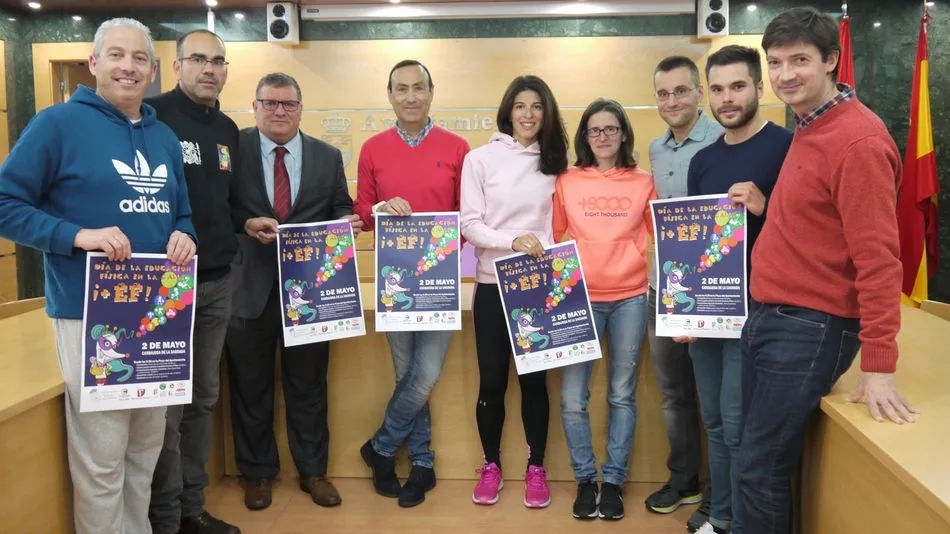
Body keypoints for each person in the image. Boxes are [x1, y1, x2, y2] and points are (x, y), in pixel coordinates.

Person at [0, 18, 196, 534]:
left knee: (144, 453)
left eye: (139, 59)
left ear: (153, 70)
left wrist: (186, 236)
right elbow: (5, 204)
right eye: (116, 55)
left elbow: (182, 214)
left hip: (158, 320)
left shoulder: (165, 138)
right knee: (102, 458)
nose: (128, 67)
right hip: (90, 318)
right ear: (93, 63)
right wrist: (76, 235)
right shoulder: (56, 124)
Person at [737, 8, 919, 534]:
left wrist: (880, 363)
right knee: (759, 463)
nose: (785, 74)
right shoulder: (812, 125)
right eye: (776, 62)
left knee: (757, 468)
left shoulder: (857, 141)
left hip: (810, 327)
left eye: (800, 61)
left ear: (832, 61)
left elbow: (880, 259)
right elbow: (816, 224)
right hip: (772, 317)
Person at [226, 72, 361, 512]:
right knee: (251, 387)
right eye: (270, 104)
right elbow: (218, 208)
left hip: (312, 291)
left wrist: (344, 225)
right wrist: (244, 226)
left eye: (288, 104)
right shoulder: (233, 150)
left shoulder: (327, 155)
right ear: (255, 107)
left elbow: (341, 206)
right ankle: (258, 473)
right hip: (247, 289)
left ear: (301, 109)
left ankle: (313, 472)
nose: (279, 111)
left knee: (308, 386)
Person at [682, 45, 793, 534]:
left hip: (761, 311)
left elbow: (812, 232)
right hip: (708, 311)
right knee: (715, 422)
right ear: (709, 94)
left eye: (738, 86)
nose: (728, 99)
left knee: (736, 421)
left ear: (759, 87)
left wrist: (765, 207)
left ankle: (733, 519)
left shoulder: (789, 146)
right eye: (719, 89)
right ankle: (720, 513)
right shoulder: (702, 161)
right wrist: (680, 315)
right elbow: (693, 245)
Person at [354, 59, 470, 508]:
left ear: (431, 91)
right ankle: (421, 462)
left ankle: (381, 447)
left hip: (440, 281)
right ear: (389, 95)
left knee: (425, 374)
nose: (410, 97)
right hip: (394, 282)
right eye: (401, 89)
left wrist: (441, 246)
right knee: (407, 373)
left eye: (418, 88)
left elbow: (467, 216)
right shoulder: (372, 148)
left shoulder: (458, 147)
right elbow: (361, 209)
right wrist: (379, 209)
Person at [145, 29, 240, 534]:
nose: (209, 68)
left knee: (202, 397)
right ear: (176, 65)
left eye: (218, 60)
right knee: (165, 408)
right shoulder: (152, 117)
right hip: (165, 287)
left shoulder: (228, 128)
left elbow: (224, 202)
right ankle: (163, 517)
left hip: (218, 282)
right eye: (198, 59)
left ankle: (191, 509)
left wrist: (249, 223)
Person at [460, 75, 568, 509]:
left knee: (534, 383)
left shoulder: (557, 163)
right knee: (491, 381)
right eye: (520, 106)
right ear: (508, 111)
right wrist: (513, 241)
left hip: (537, 288)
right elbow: (469, 224)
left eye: (537, 107)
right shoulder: (480, 159)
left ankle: (536, 467)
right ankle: (491, 465)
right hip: (490, 285)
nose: (528, 114)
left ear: (547, 114)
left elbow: (561, 226)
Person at [552, 98, 655, 521]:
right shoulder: (567, 181)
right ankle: (584, 479)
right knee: (573, 397)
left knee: (621, 394)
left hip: (631, 295)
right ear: (584, 137)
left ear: (624, 133)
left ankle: (612, 481)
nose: (603, 137)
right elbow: (557, 235)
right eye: (595, 130)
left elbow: (654, 234)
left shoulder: (644, 181)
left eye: (611, 129)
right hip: (581, 298)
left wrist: (632, 260)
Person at [646, 55, 723, 530]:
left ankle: (720, 495)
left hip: (711, 293)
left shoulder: (722, 140)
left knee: (713, 399)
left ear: (699, 92)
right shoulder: (655, 149)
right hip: (662, 288)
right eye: (662, 93)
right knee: (674, 393)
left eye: (680, 91)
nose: (671, 100)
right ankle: (684, 479)